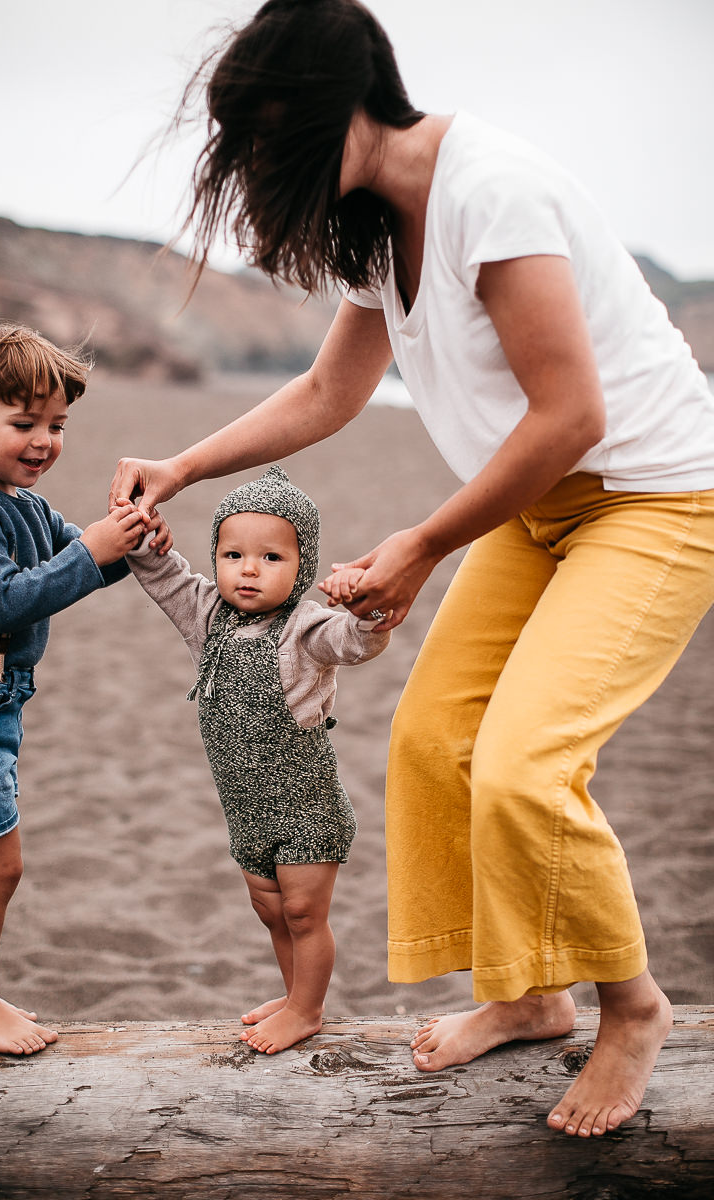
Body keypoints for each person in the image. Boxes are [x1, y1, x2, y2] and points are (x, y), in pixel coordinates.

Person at [109, 0, 714, 1135]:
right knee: (436, 743)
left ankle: (630, 1008)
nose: (259, 172)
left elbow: (571, 413)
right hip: (534, 506)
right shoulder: (379, 221)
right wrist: (183, 465)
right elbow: (329, 392)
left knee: (525, 765)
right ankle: (527, 996)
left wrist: (425, 544)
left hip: (655, 498)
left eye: (268, 140)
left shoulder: (493, 190)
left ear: (336, 105)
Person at [0, 323, 168, 1055]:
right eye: (23, 423)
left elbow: (79, 557)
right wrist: (92, 551)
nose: (44, 441)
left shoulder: (21, 502)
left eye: (56, 425)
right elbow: (6, 599)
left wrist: (128, 539)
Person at [125, 464, 389, 1055]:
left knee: (302, 912)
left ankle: (307, 1010)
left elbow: (355, 640)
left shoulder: (305, 628)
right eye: (232, 554)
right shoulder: (209, 616)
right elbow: (165, 578)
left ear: (303, 568)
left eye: (271, 558)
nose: (248, 570)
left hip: (305, 807)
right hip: (246, 810)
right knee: (270, 910)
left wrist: (369, 610)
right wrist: (147, 539)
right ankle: (295, 992)